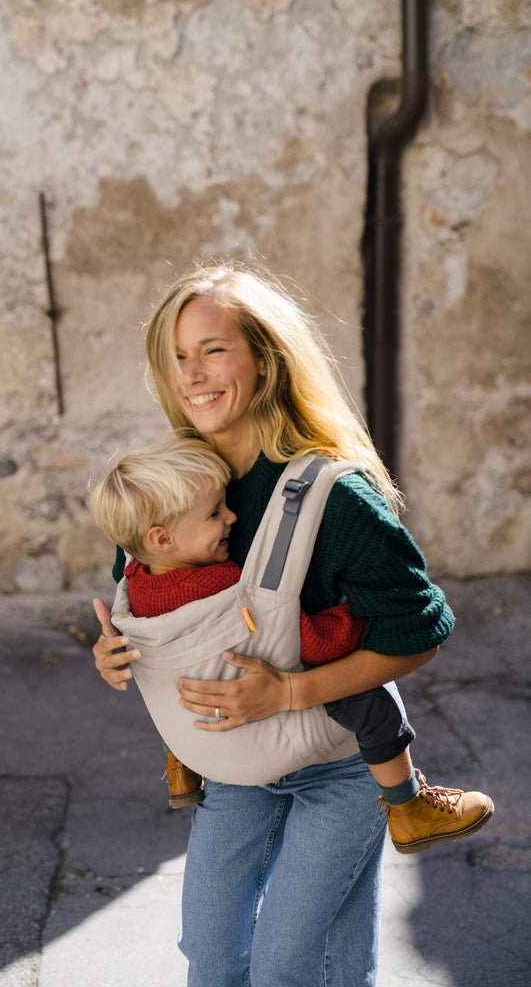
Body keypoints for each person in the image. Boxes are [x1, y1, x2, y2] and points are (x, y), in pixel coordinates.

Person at [91, 263, 493, 987]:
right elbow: (148, 594)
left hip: (338, 767)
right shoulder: (178, 482)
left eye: (214, 349)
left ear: (265, 359)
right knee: (211, 959)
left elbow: (419, 629)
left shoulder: (337, 498)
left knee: (293, 967)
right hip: (235, 772)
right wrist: (113, 651)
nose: (193, 374)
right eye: (178, 356)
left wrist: (286, 695)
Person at [90, 435, 493, 853]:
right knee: (375, 701)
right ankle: (409, 808)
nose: (231, 517)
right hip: (258, 725)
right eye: (215, 513)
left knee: (177, 669)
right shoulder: (220, 582)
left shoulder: (135, 576)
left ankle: (181, 768)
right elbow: (310, 641)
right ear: (162, 539)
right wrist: (356, 618)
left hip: (194, 734)